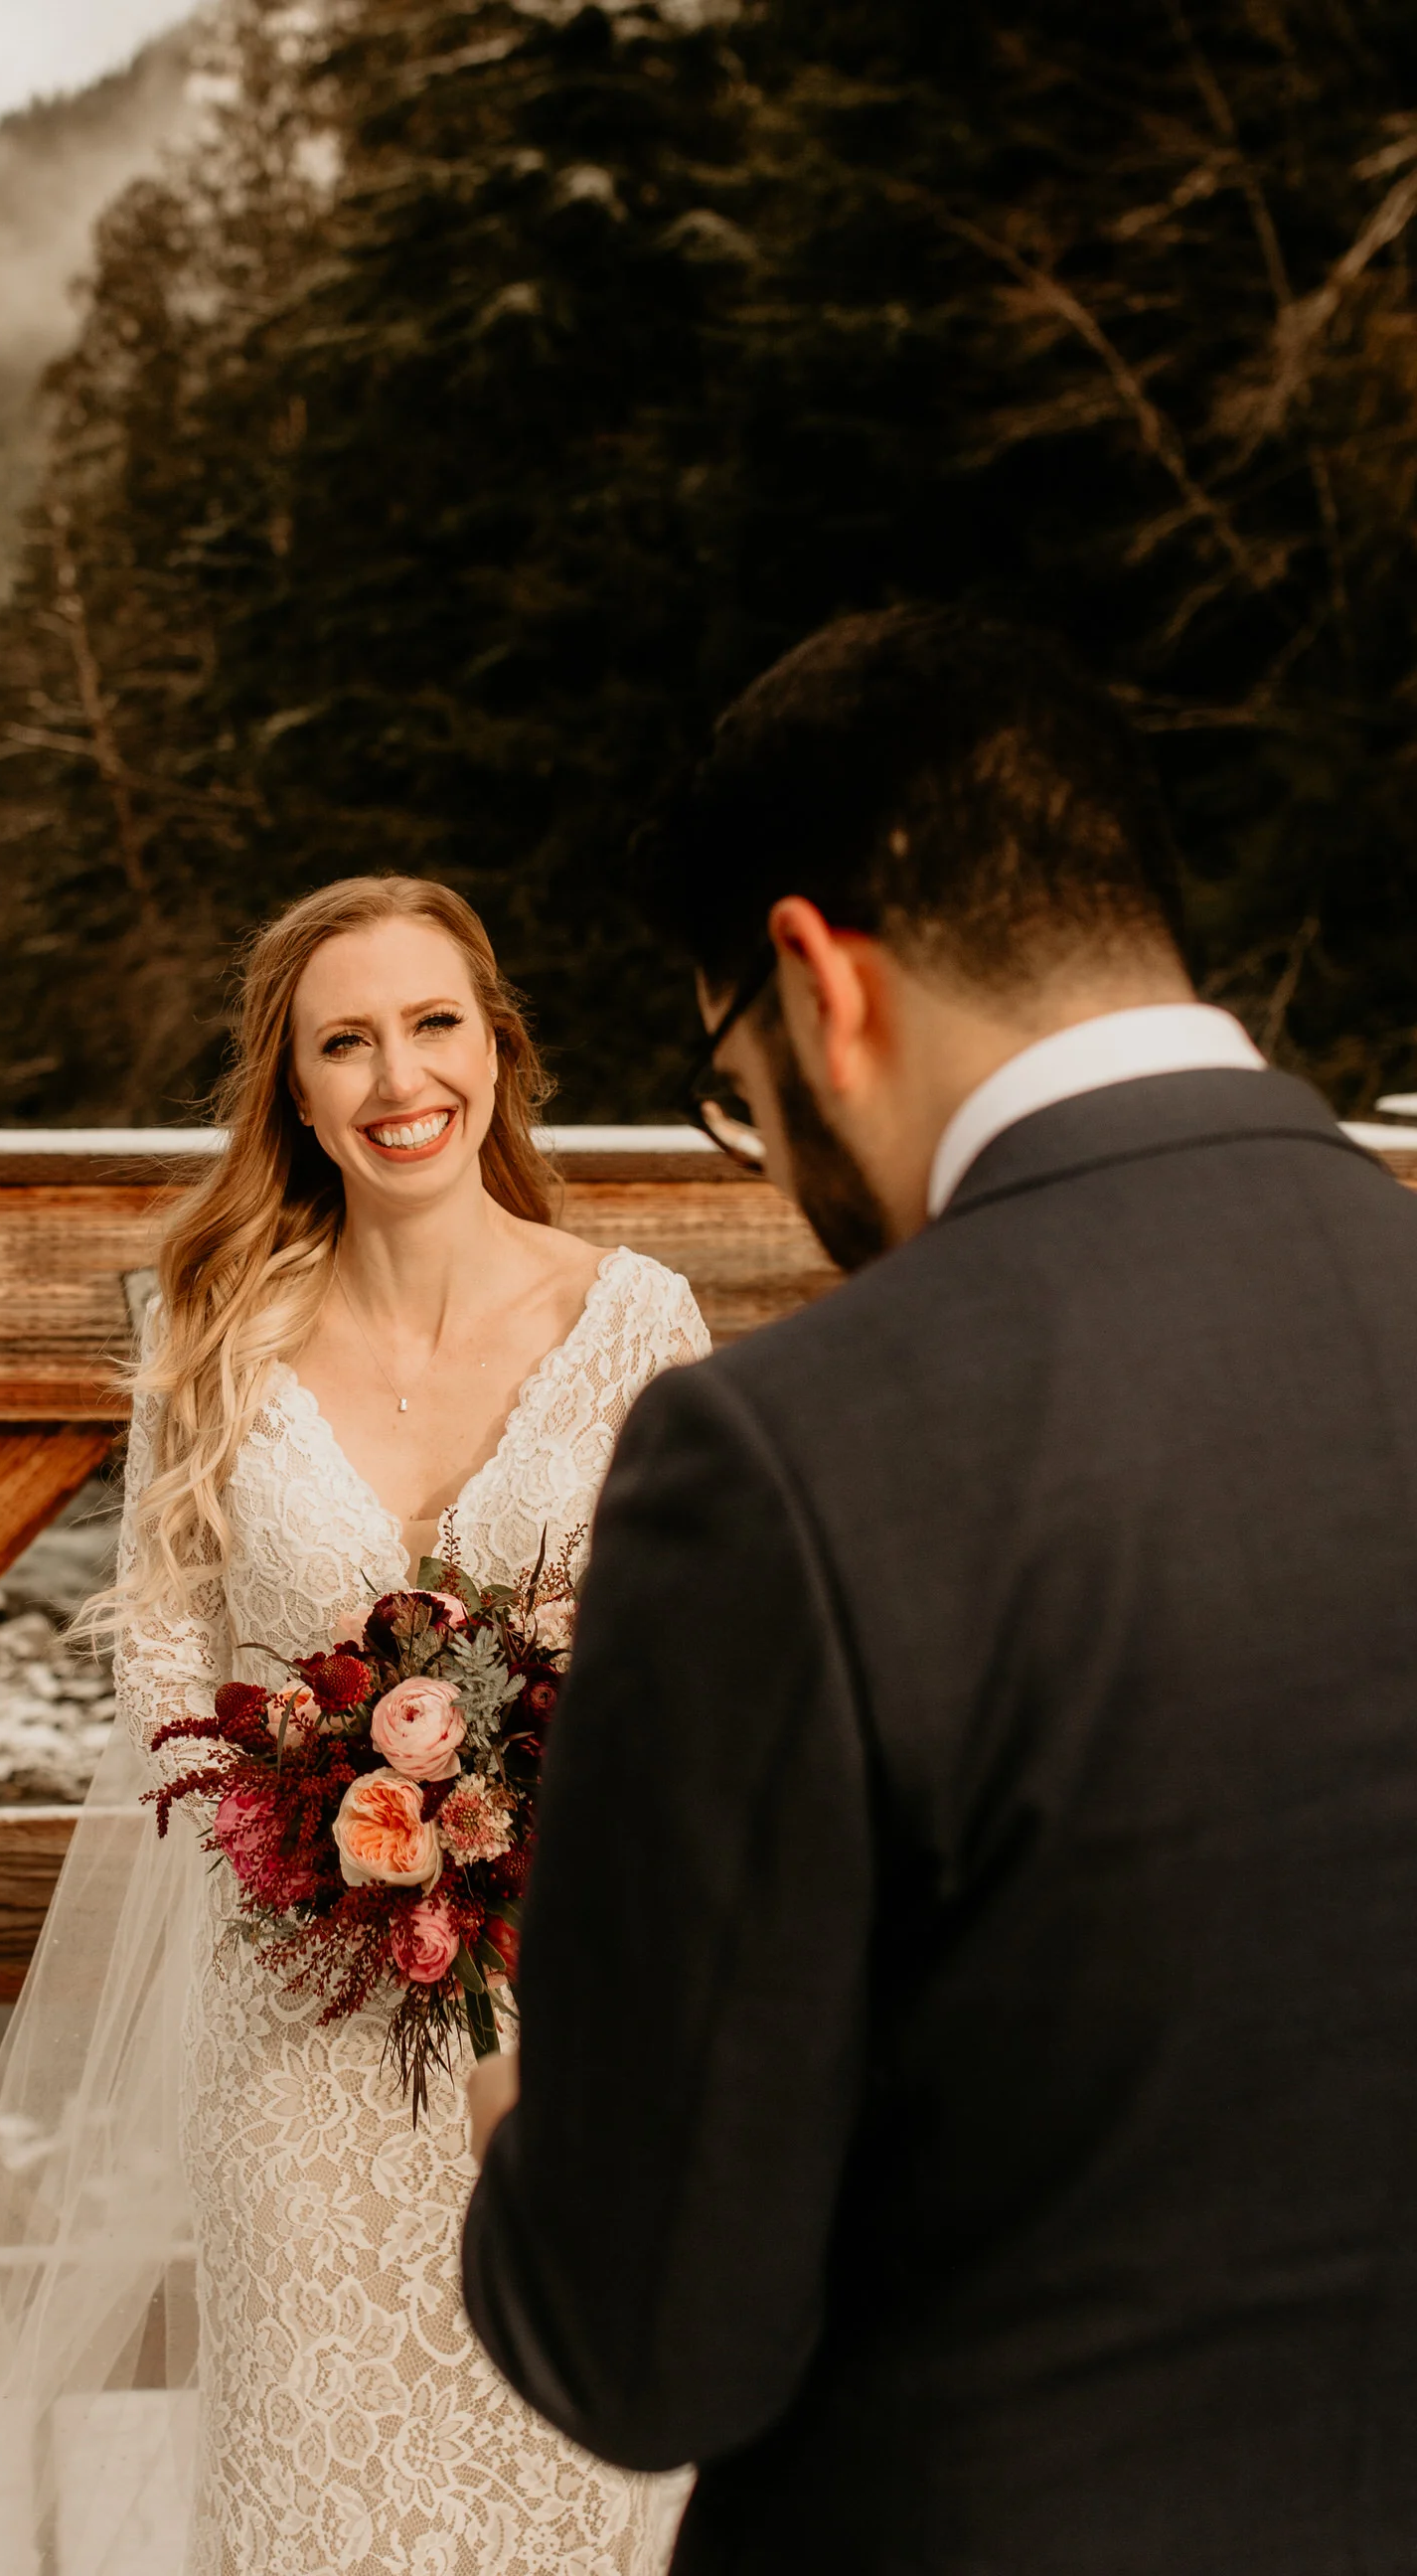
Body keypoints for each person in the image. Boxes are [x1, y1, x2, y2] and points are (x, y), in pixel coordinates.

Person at [461, 607, 1417, 2574]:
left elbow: (650, 2352)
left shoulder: (791, 1461)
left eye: (736, 1073)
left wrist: (523, 2159)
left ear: (820, 984)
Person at [0, 875, 706, 2576]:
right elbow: (163, 1661)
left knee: (566, 2457)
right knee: (313, 2471)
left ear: (496, 1048)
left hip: (567, 2002)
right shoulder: (216, 1325)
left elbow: (700, 1678)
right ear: (288, 1084)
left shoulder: (636, 1323)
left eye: (432, 1025)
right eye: (341, 1041)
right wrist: (312, 1834)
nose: (395, 1078)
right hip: (294, 2011)